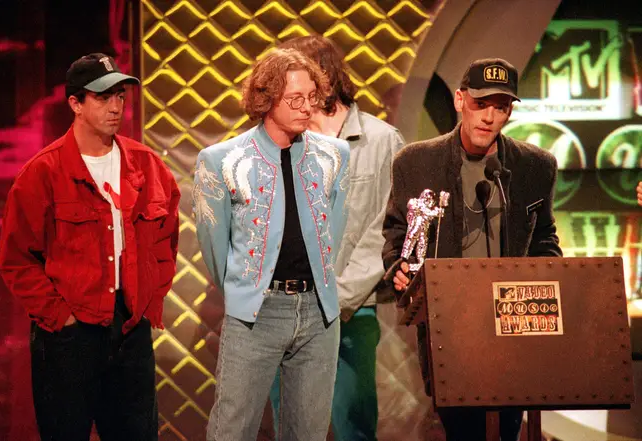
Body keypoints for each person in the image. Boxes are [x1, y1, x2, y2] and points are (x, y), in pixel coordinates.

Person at [0, 53, 180, 440]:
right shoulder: (42, 173)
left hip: (129, 328)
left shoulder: (146, 166)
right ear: (75, 104)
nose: (116, 106)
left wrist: (148, 299)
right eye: (103, 96)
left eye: (120, 95)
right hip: (68, 335)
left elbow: (165, 237)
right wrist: (59, 316)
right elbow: (16, 259)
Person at [382, 58, 562, 441]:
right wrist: (398, 269)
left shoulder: (536, 166)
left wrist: (548, 286)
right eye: (481, 104)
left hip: (515, 322)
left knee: (510, 429)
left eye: (501, 107)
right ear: (461, 100)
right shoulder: (415, 163)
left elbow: (545, 238)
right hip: (450, 322)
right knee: (461, 429)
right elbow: (399, 235)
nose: (489, 117)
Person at [193, 48, 350, 441]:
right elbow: (215, 248)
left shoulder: (335, 155)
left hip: (319, 313)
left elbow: (336, 231)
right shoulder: (223, 160)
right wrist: (245, 290)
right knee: (232, 429)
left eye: (311, 97)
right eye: (295, 99)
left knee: (308, 433)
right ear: (266, 99)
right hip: (256, 313)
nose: (306, 108)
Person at [269, 35, 404, 441]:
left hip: (350, 309)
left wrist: (337, 299)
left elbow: (388, 227)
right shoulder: (279, 141)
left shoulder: (382, 141)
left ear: (322, 79)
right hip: (286, 307)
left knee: (354, 427)